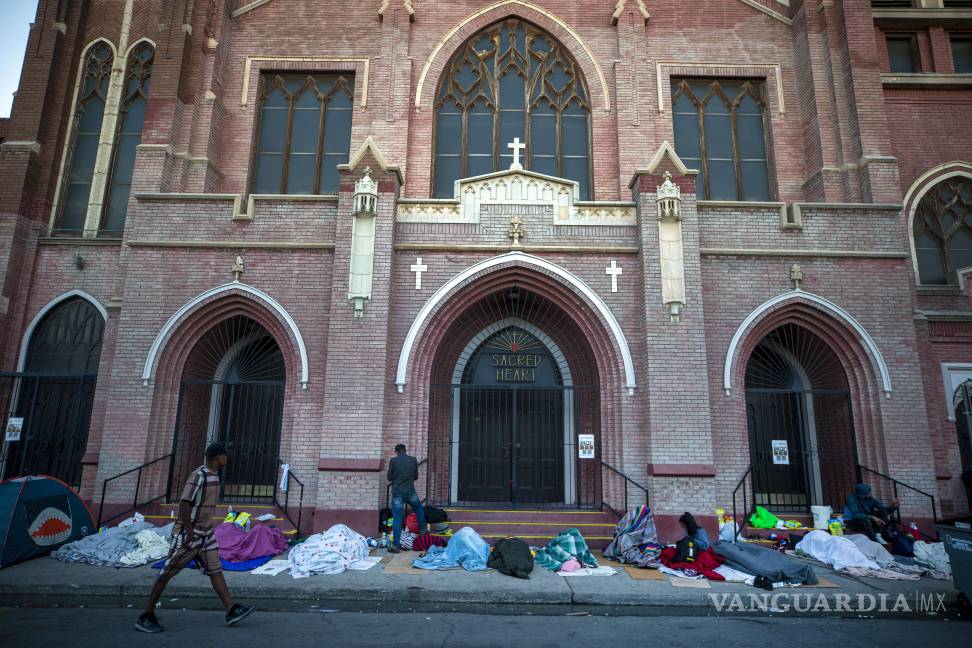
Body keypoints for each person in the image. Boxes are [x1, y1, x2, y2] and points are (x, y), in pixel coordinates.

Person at [135, 443, 255, 633]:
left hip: (206, 534)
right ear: (216, 457)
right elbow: (184, 504)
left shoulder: (215, 475)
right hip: (190, 534)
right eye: (224, 455)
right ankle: (146, 615)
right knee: (166, 573)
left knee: (215, 570)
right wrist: (189, 534)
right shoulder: (199, 475)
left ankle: (231, 609)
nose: (227, 458)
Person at [386, 443, 426, 553]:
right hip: (410, 492)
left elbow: (389, 477)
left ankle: (396, 546)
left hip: (398, 493)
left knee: (397, 518)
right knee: (419, 510)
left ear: (396, 452)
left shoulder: (394, 461)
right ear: (405, 450)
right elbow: (416, 477)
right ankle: (423, 533)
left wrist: (396, 477)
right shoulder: (413, 460)